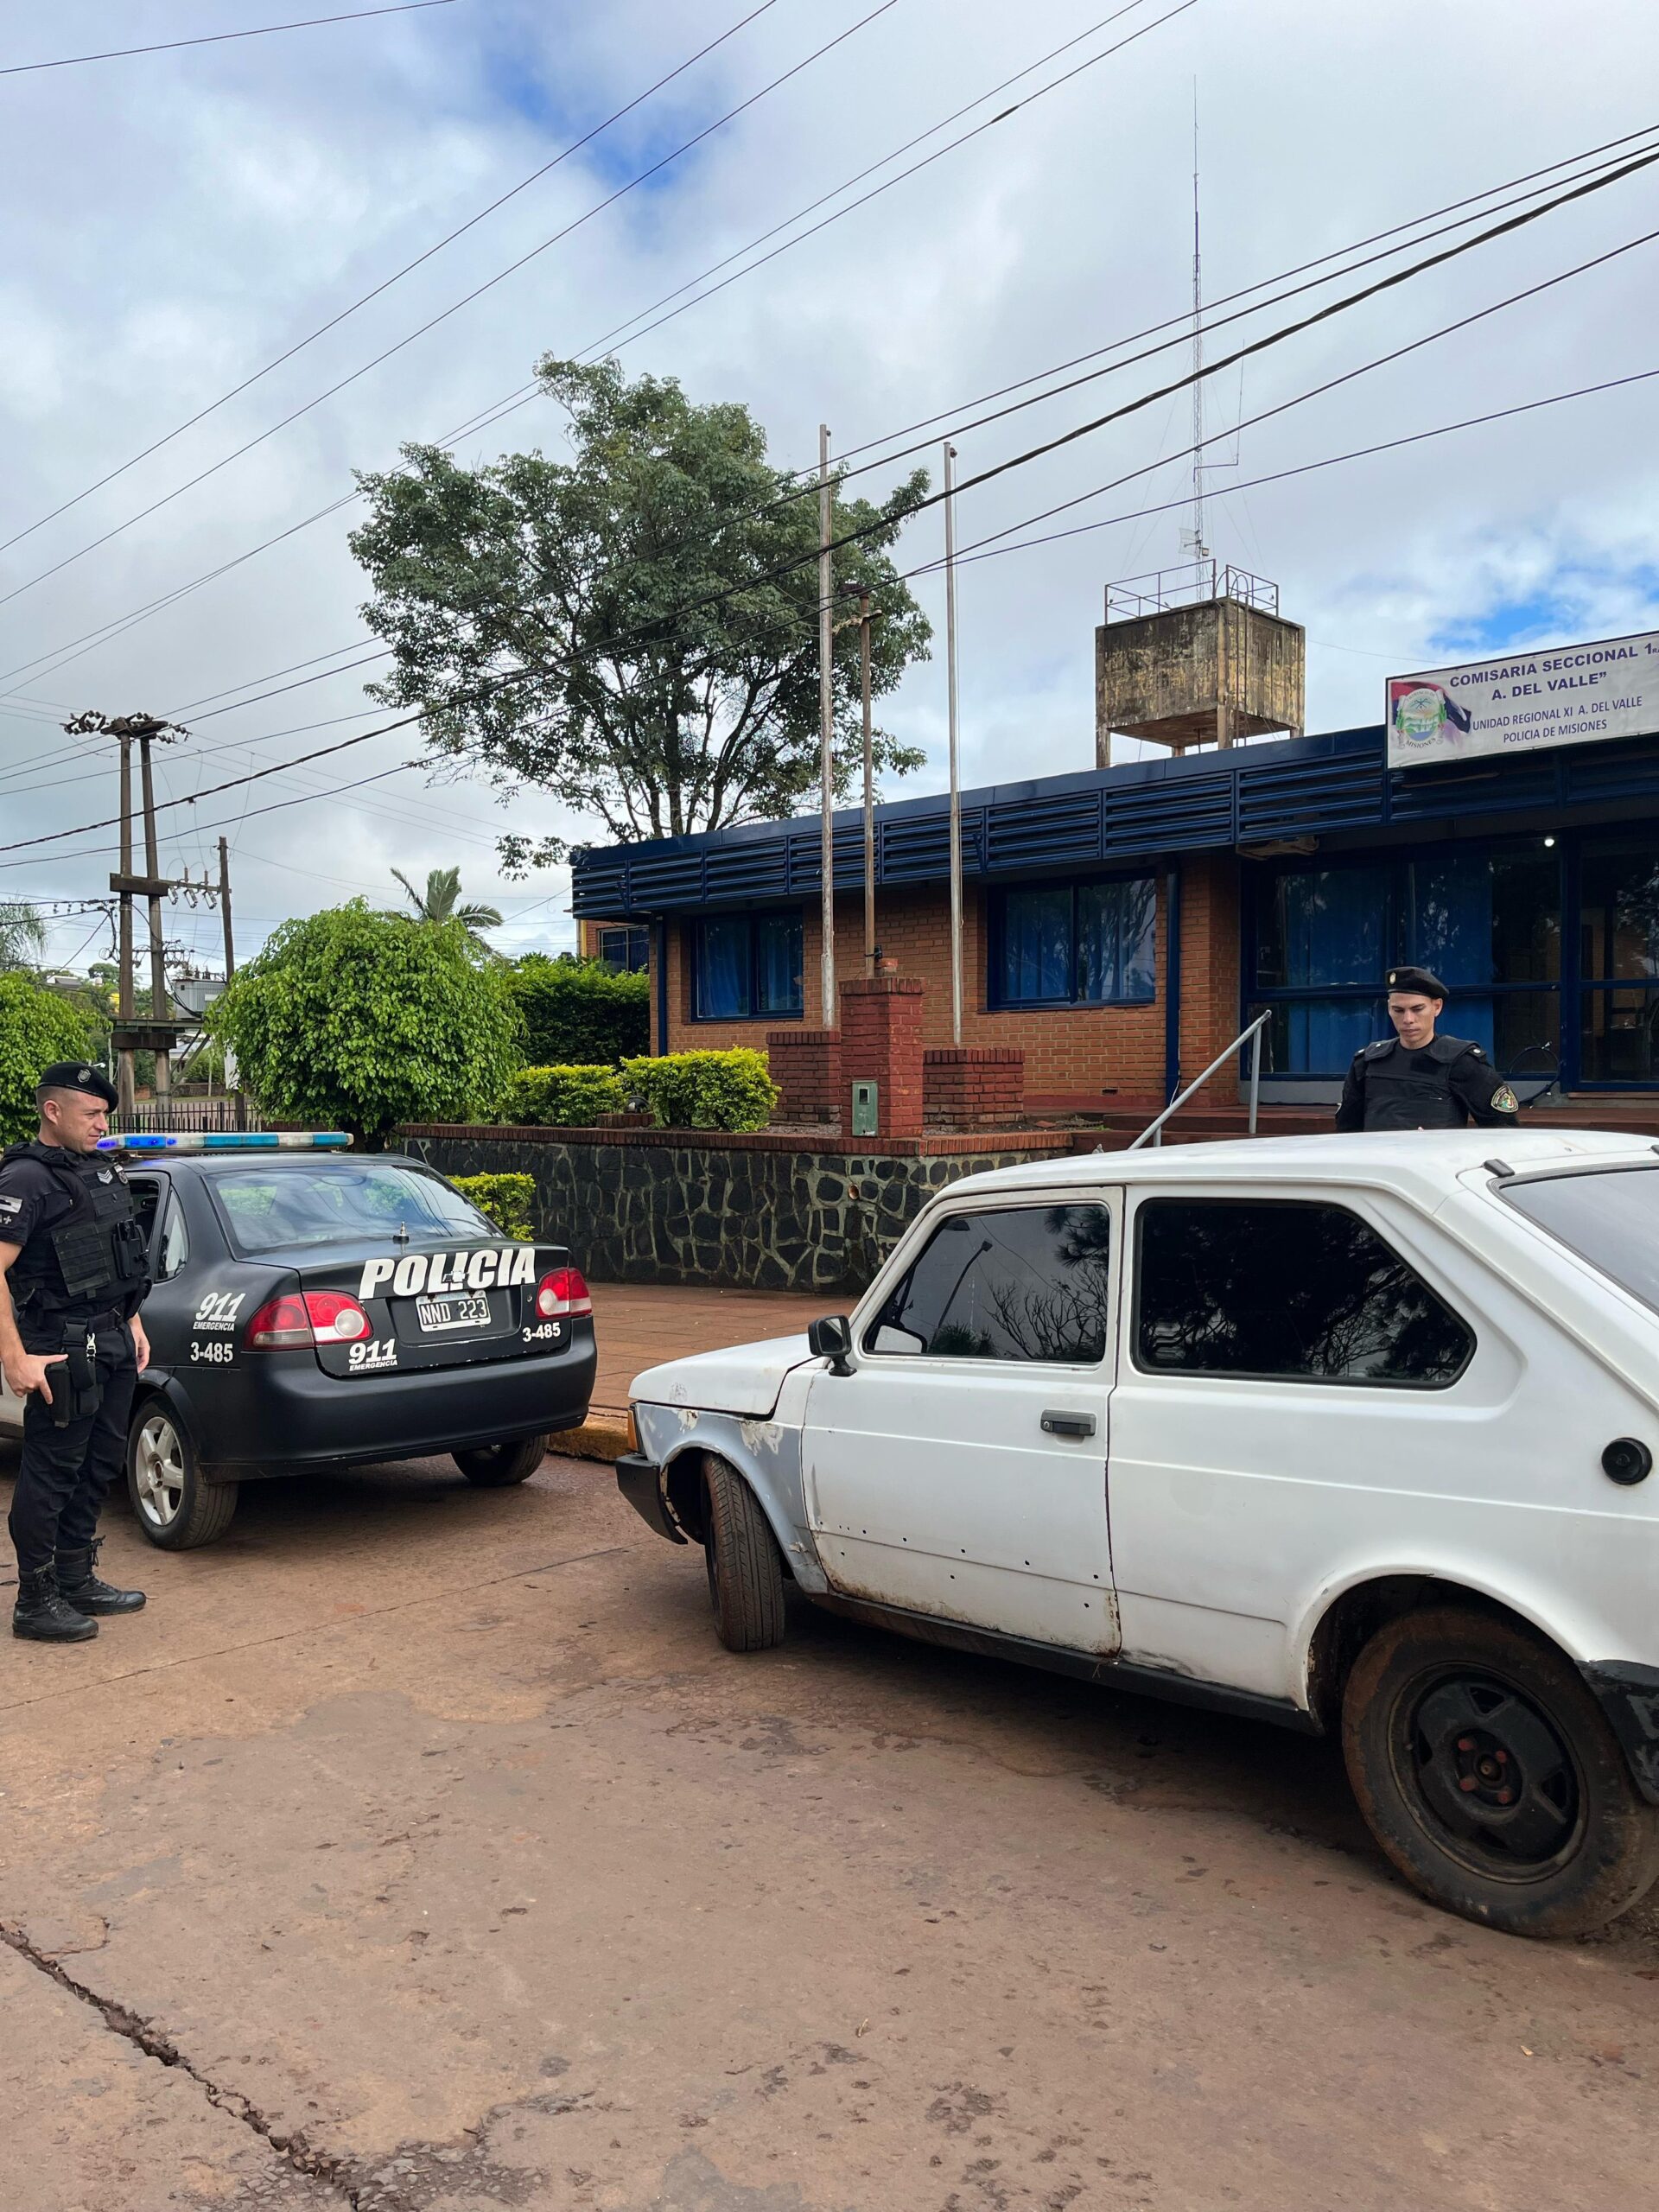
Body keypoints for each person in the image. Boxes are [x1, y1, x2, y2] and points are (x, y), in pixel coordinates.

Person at [0, 1063, 151, 1642]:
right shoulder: (25, 1179)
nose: (101, 1124)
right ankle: (35, 1600)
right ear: (52, 1111)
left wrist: (132, 1321)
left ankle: (74, 1577)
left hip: (112, 1337)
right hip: (60, 1348)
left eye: (104, 1114)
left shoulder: (96, 1170)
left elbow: (114, 1258)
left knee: (99, 1463)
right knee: (53, 1470)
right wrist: (14, 1357)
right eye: (90, 1114)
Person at [1335, 967, 1522, 1133]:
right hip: (1378, 1160)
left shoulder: (1462, 1062)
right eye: (1398, 1010)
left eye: (1417, 1009)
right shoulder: (1367, 1062)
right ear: (1389, 1009)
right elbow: (1347, 1131)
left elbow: (1504, 1129)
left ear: (1437, 1007)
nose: (1408, 1019)